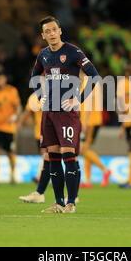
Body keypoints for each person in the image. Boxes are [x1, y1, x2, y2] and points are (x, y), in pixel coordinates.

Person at [30, 16, 100, 213]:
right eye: (48, 31)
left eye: (54, 30)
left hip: (67, 113)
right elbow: (35, 76)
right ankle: (59, 203)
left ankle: (71, 203)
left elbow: (94, 76)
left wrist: (79, 99)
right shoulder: (43, 55)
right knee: (53, 157)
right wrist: (39, 96)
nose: (52, 34)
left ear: (60, 31)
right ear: (43, 35)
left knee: (68, 156)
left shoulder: (72, 51)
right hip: (49, 113)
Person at [17, 92, 49, 203]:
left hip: (52, 131)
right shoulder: (34, 97)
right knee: (48, 157)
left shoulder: (56, 92)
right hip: (39, 132)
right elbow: (27, 113)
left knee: (48, 156)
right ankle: (41, 190)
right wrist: (20, 123)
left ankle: (40, 179)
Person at [79, 79, 111, 188]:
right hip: (92, 120)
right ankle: (87, 180)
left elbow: (88, 103)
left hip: (90, 121)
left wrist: (85, 122)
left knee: (82, 149)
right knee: (86, 149)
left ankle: (105, 170)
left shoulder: (88, 82)